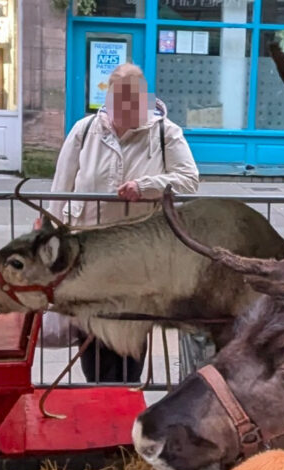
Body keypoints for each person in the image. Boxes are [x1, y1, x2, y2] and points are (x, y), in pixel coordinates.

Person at [40, 63, 199, 384]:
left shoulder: (166, 133)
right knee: (92, 333)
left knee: (130, 332)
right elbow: (60, 186)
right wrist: (48, 230)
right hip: (87, 253)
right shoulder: (85, 130)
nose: (123, 110)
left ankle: (124, 398)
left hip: (138, 259)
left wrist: (146, 186)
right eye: (117, 100)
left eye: (132, 101)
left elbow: (189, 180)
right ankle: (98, 397)